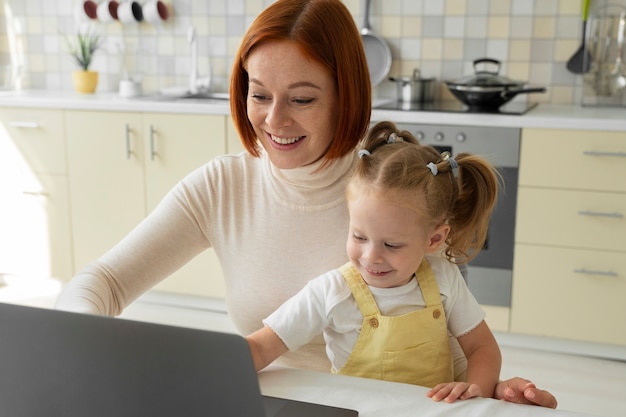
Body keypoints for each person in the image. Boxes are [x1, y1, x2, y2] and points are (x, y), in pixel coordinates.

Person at [55, 0, 556, 408]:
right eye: (259, 94)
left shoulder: (388, 188)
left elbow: (446, 338)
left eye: (302, 99)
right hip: (287, 404)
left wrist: (492, 391)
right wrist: (79, 346)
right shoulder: (221, 187)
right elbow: (104, 282)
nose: (274, 120)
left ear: (347, 96)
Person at [246, 121, 502, 402]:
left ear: (434, 240)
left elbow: (482, 349)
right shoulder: (331, 292)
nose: (371, 256)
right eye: (359, 236)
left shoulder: (444, 278)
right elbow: (260, 348)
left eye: (392, 244)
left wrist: (475, 390)